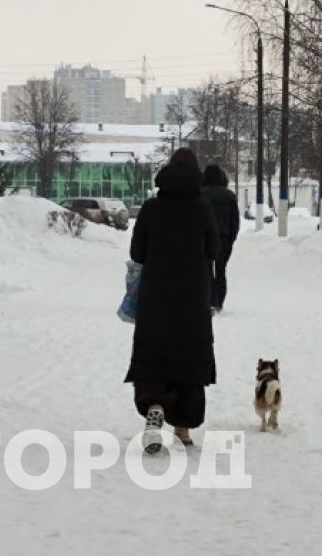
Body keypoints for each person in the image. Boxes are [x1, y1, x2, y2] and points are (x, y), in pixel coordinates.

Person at [125, 148, 218, 451]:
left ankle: (154, 407)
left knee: (155, 354)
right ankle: (183, 426)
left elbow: (137, 252)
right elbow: (213, 250)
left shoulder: (151, 208)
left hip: (156, 296)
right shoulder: (203, 209)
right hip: (192, 297)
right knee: (189, 357)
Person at [201, 164, 239, 313]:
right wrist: (231, 238)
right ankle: (219, 302)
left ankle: (210, 299)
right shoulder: (229, 195)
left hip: (205, 238)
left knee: (207, 269)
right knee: (221, 270)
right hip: (224, 238)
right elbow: (235, 220)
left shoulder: (200, 194)